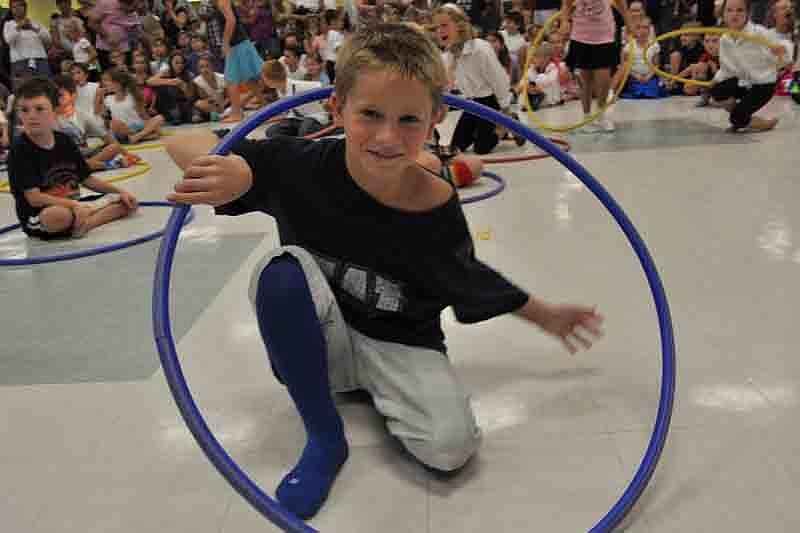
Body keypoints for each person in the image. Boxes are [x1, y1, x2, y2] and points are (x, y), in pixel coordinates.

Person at [164, 23, 604, 521]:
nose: (387, 137)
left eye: (409, 120)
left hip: (399, 341)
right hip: (322, 333)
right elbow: (178, 142)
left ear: (435, 119)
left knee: (450, 448)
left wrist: (544, 315)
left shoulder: (434, 203)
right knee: (281, 271)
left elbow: (467, 276)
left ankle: (369, 385)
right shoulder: (298, 163)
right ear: (337, 109)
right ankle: (324, 436)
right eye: (370, 114)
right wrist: (232, 168)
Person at [7, 77, 137, 240]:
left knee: (127, 201)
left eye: (39, 109)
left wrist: (119, 191)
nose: (31, 116)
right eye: (24, 110)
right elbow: (35, 199)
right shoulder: (19, 150)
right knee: (57, 216)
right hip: (41, 214)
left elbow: (86, 178)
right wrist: (74, 205)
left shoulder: (64, 140)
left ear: (55, 111)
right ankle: (82, 218)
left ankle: (86, 223)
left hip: (74, 202)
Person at [433, 4, 524, 153]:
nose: (439, 31)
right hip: (472, 103)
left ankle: (509, 124)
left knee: (481, 148)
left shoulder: (480, 49)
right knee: (457, 146)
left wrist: (505, 110)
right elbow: (445, 87)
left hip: (492, 101)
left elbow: (498, 80)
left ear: (459, 26)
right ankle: (483, 129)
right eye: (437, 27)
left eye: (444, 25)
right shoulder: (448, 56)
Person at [710, 0, 787, 132]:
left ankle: (762, 123)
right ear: (723, 14)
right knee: (717, 90)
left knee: (736, 120)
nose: (734, 14)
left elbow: (783, 55)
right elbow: (726, 69)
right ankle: (741, 113)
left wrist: (779, 52)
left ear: (748, 13)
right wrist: (714, 81)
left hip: (762, 85)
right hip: (742, 82)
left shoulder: (759, 33)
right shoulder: (724, 39)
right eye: (729, 10)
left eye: (740, 10)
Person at [562, 0, 630, 132]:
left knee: (603, 78)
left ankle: (601, 114)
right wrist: (565, 21)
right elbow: (566, 3)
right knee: (585, 78)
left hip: (604, 33)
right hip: (581, 34)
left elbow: (621, 3)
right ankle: (586, 117)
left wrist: (629, 23)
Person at [53, 74, 139, 171]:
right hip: (65, 159)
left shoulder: (82, 116)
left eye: (60, 95)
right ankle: (103, 165)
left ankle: (85, 167)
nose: (56, 99)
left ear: (73, 95)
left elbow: (107, 137)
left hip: (84, 156)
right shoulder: (50, 117)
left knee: (114, 147)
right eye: (53, 95)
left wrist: (128, 154)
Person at [215, 0, 265, 123]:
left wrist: (225, 43)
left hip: (235, 44)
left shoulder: (222, 1)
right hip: (240, 42)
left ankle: (237, 113)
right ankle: (265, 106)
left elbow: (231, 21)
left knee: (231, 80)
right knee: (249, 79)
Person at [259, 59, 330, 137]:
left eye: (264, 78)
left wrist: (326, 106)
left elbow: (321, 88)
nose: (263, 81)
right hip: (296, 119)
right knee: (271, 132)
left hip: (315, 117)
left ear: (270, 79)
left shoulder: (298, 85)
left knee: (306, 130)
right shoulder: (279, 90)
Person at [3, 0, 52, 88]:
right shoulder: (8, 24)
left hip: (40, 60)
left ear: (25, 8)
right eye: (14, 7)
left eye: (20, 6)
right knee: (23, 92)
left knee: (46, 89)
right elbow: (8, 40)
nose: (17, 9)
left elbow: (48, 40)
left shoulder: (36, 22)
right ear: (11, 10)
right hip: (20, 63)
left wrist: (34, 28)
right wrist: (19, 26)